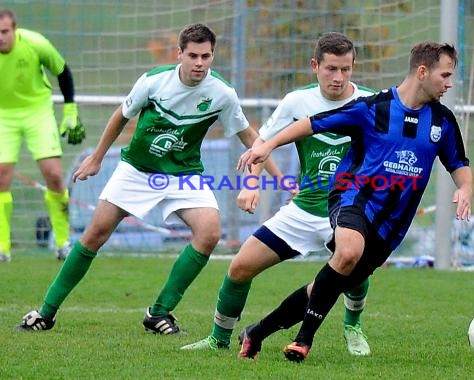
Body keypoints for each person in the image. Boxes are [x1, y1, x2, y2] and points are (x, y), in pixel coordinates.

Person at [16, 23, 282, 334]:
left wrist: (276, 179)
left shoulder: (222, 93)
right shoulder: (154, 82)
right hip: (137, 171)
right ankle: (45, 313)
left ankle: (158, 313)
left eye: (206, 56)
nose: (199, 63)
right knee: (94, 235)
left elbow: (250, 137)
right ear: (179, 54)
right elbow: (121, 115)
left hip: (184, 174)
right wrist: (97, 158)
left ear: (212, 56)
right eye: (193, 55)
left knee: (209, 233)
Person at [236, 41, 473, 362]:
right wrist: (269, 145)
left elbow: (459, 164)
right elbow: (313, 122)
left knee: (327, 284)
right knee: (347, 251)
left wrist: (466, 189)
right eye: (445, 75)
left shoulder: (442, 122)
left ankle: (256, 332)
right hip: (352, 197)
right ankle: (303, 340)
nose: (448, 83)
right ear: (422, 71)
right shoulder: (373, 108)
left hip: (392, 225)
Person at [181, 32, 376, 357]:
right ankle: (219, 338)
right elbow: (261, 143)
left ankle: (353, 326)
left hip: (347, 211)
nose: (338, 77)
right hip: (303, 210)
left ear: (354, 66)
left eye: (345, 69)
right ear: (315, 66)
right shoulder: (297, 102)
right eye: (330, 69)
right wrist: (251, 182)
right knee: (240, 267)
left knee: (352, 265)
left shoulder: (372, 103)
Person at [0, 8, 85, 263]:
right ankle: (2, 248)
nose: (0, 37)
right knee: (1, 175)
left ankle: (63, 243)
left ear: (14, 29)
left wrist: (70, 110)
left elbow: (62, 71)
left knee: (54, 175)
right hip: (3, 115)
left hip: (38, 111)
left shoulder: (36, 43)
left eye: (4, 32)